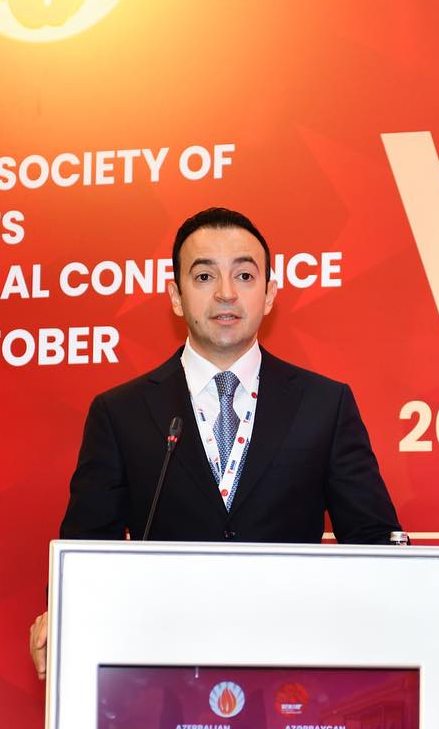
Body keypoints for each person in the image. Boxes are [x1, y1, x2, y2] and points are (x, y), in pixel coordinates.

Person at [28, 207, 401, 677]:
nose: (226, 293)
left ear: (269, 294)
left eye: (244, 275)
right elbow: (86, 550)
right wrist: (63, 614)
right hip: (161, 672)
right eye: (204, 276)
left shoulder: (325, 405)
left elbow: (373, 541)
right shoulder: (121, 413)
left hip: (293, 672)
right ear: (176, 296)